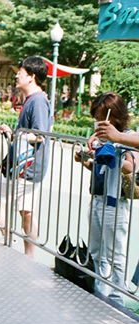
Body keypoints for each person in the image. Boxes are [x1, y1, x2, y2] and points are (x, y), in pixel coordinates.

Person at [0, 56, 53, 258]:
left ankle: (10, 239)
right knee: (26, 211)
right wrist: (14, 134)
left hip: (26, 166)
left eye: (20, 72)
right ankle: (26, 253)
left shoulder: (37, 101)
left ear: (31, 77)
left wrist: (16, 135)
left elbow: (41, 135)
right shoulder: (35, 99)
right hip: (27, 166)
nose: (17, 76)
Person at [74, 92, 138, 306]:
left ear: (115, 116)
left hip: (116, 202)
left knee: (115, 253)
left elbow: (131, 166)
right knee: (96, 250)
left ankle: (117, 297)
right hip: (98, 198)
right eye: (97, 116)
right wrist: (86, 158)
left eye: (103, 116)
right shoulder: (101, 138)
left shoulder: (127, 136)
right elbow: (97, 167)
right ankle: (97, 291)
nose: (99, 121)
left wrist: (114, 151)